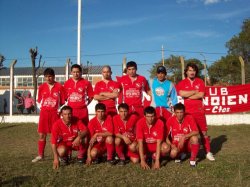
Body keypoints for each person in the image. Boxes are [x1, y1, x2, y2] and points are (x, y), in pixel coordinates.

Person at [176, 62, 215, 161]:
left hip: (199, 111)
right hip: (188, 112)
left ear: (196, 72)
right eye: (190, 70)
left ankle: (208, 152)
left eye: (193, 70)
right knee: (187, 133)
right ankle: (185, 152)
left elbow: (201, 95)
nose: (192, 72)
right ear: (186, 72)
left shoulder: (200, 81)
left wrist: (188, 95)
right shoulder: (182, 83)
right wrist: (194, 91)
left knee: (204, 133)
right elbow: (181, 93)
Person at [32, 68, 66, 163]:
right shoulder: (42, 87)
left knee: (57, 135)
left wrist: (58, 110)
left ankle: (59, 155)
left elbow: (63, 101)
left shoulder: (59, 87)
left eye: (50, 76)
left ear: (54, 76)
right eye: (46, 76)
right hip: (44, 114)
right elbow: (39, 101)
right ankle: (40, 155)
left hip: (55, 114)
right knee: (42, 134)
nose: (48, 78)